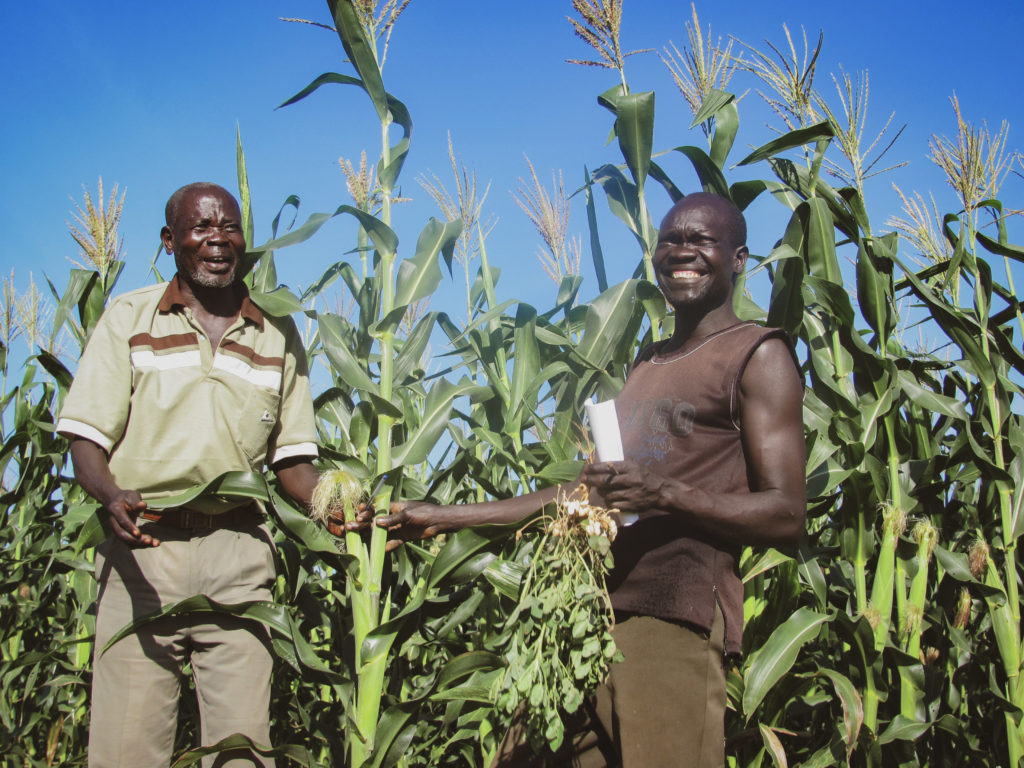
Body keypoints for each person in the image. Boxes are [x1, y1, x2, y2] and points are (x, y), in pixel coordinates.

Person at [377, 192, 807, 767]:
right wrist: (444, 515)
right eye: (670, 240)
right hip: (583, 617)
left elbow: (786, 516)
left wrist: (666, 495)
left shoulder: (758, 354)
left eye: (700, 241)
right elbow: (584, 498)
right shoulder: (648, 363)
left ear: (739, 259)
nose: (680, 251)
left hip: (671, 617)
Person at [57, 182, 322, 768]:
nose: (217, 241)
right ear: (169, 239)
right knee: (127, 747)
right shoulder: (131, 316)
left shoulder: (278, 334)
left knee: (242, 750)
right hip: (143, 552)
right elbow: (85, 440)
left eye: (229, 228)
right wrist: (110, 494)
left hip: (238, 554)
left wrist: (336, 505)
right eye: (201, 228)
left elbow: (292, 463)